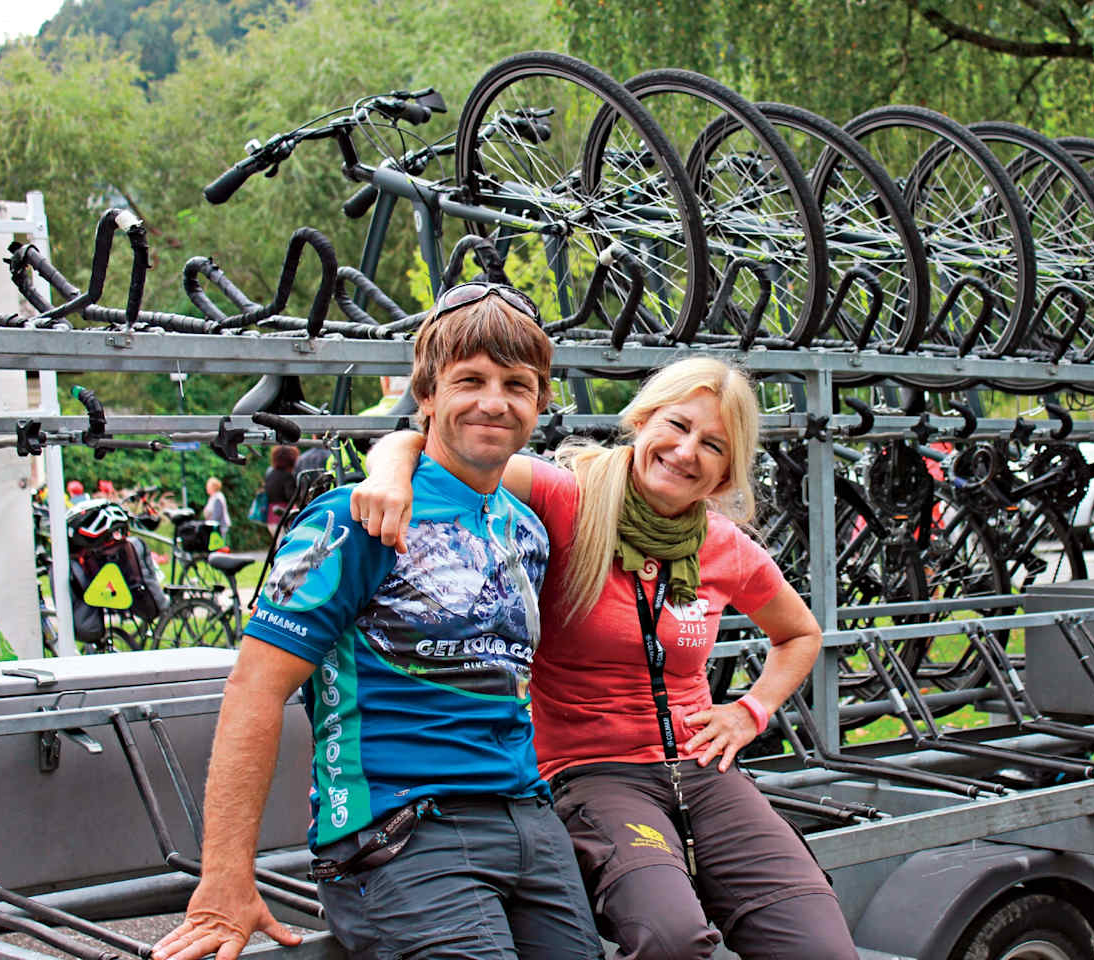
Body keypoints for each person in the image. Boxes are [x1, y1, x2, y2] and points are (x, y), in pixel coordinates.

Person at [351, 357, 860, 960]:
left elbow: (800, 634)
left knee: (818, 944)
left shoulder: (725, 547)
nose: (687, 451)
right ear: (642, 422)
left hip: (702, 770)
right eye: (676, 425)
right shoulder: (569, 497)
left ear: (726, 473)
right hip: (591, 772)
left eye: (713, 445)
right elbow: (445, 448)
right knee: (670, 938)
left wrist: (750, 712)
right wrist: (387, 474)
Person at [152, 282, 602, 960]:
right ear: (426, 395)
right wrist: (224, 880)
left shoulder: (525, 529)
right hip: (402, 830)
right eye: (470, 380)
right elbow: (254, 689)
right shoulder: (353, 519)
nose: (494, 401)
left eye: (517, 384)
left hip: (528, 820)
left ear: (540, 403)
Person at [263, 444, 298, 537]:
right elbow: (291, 496)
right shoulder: (288, 476)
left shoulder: (270, 474)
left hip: (271, 516)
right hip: (284, 516)